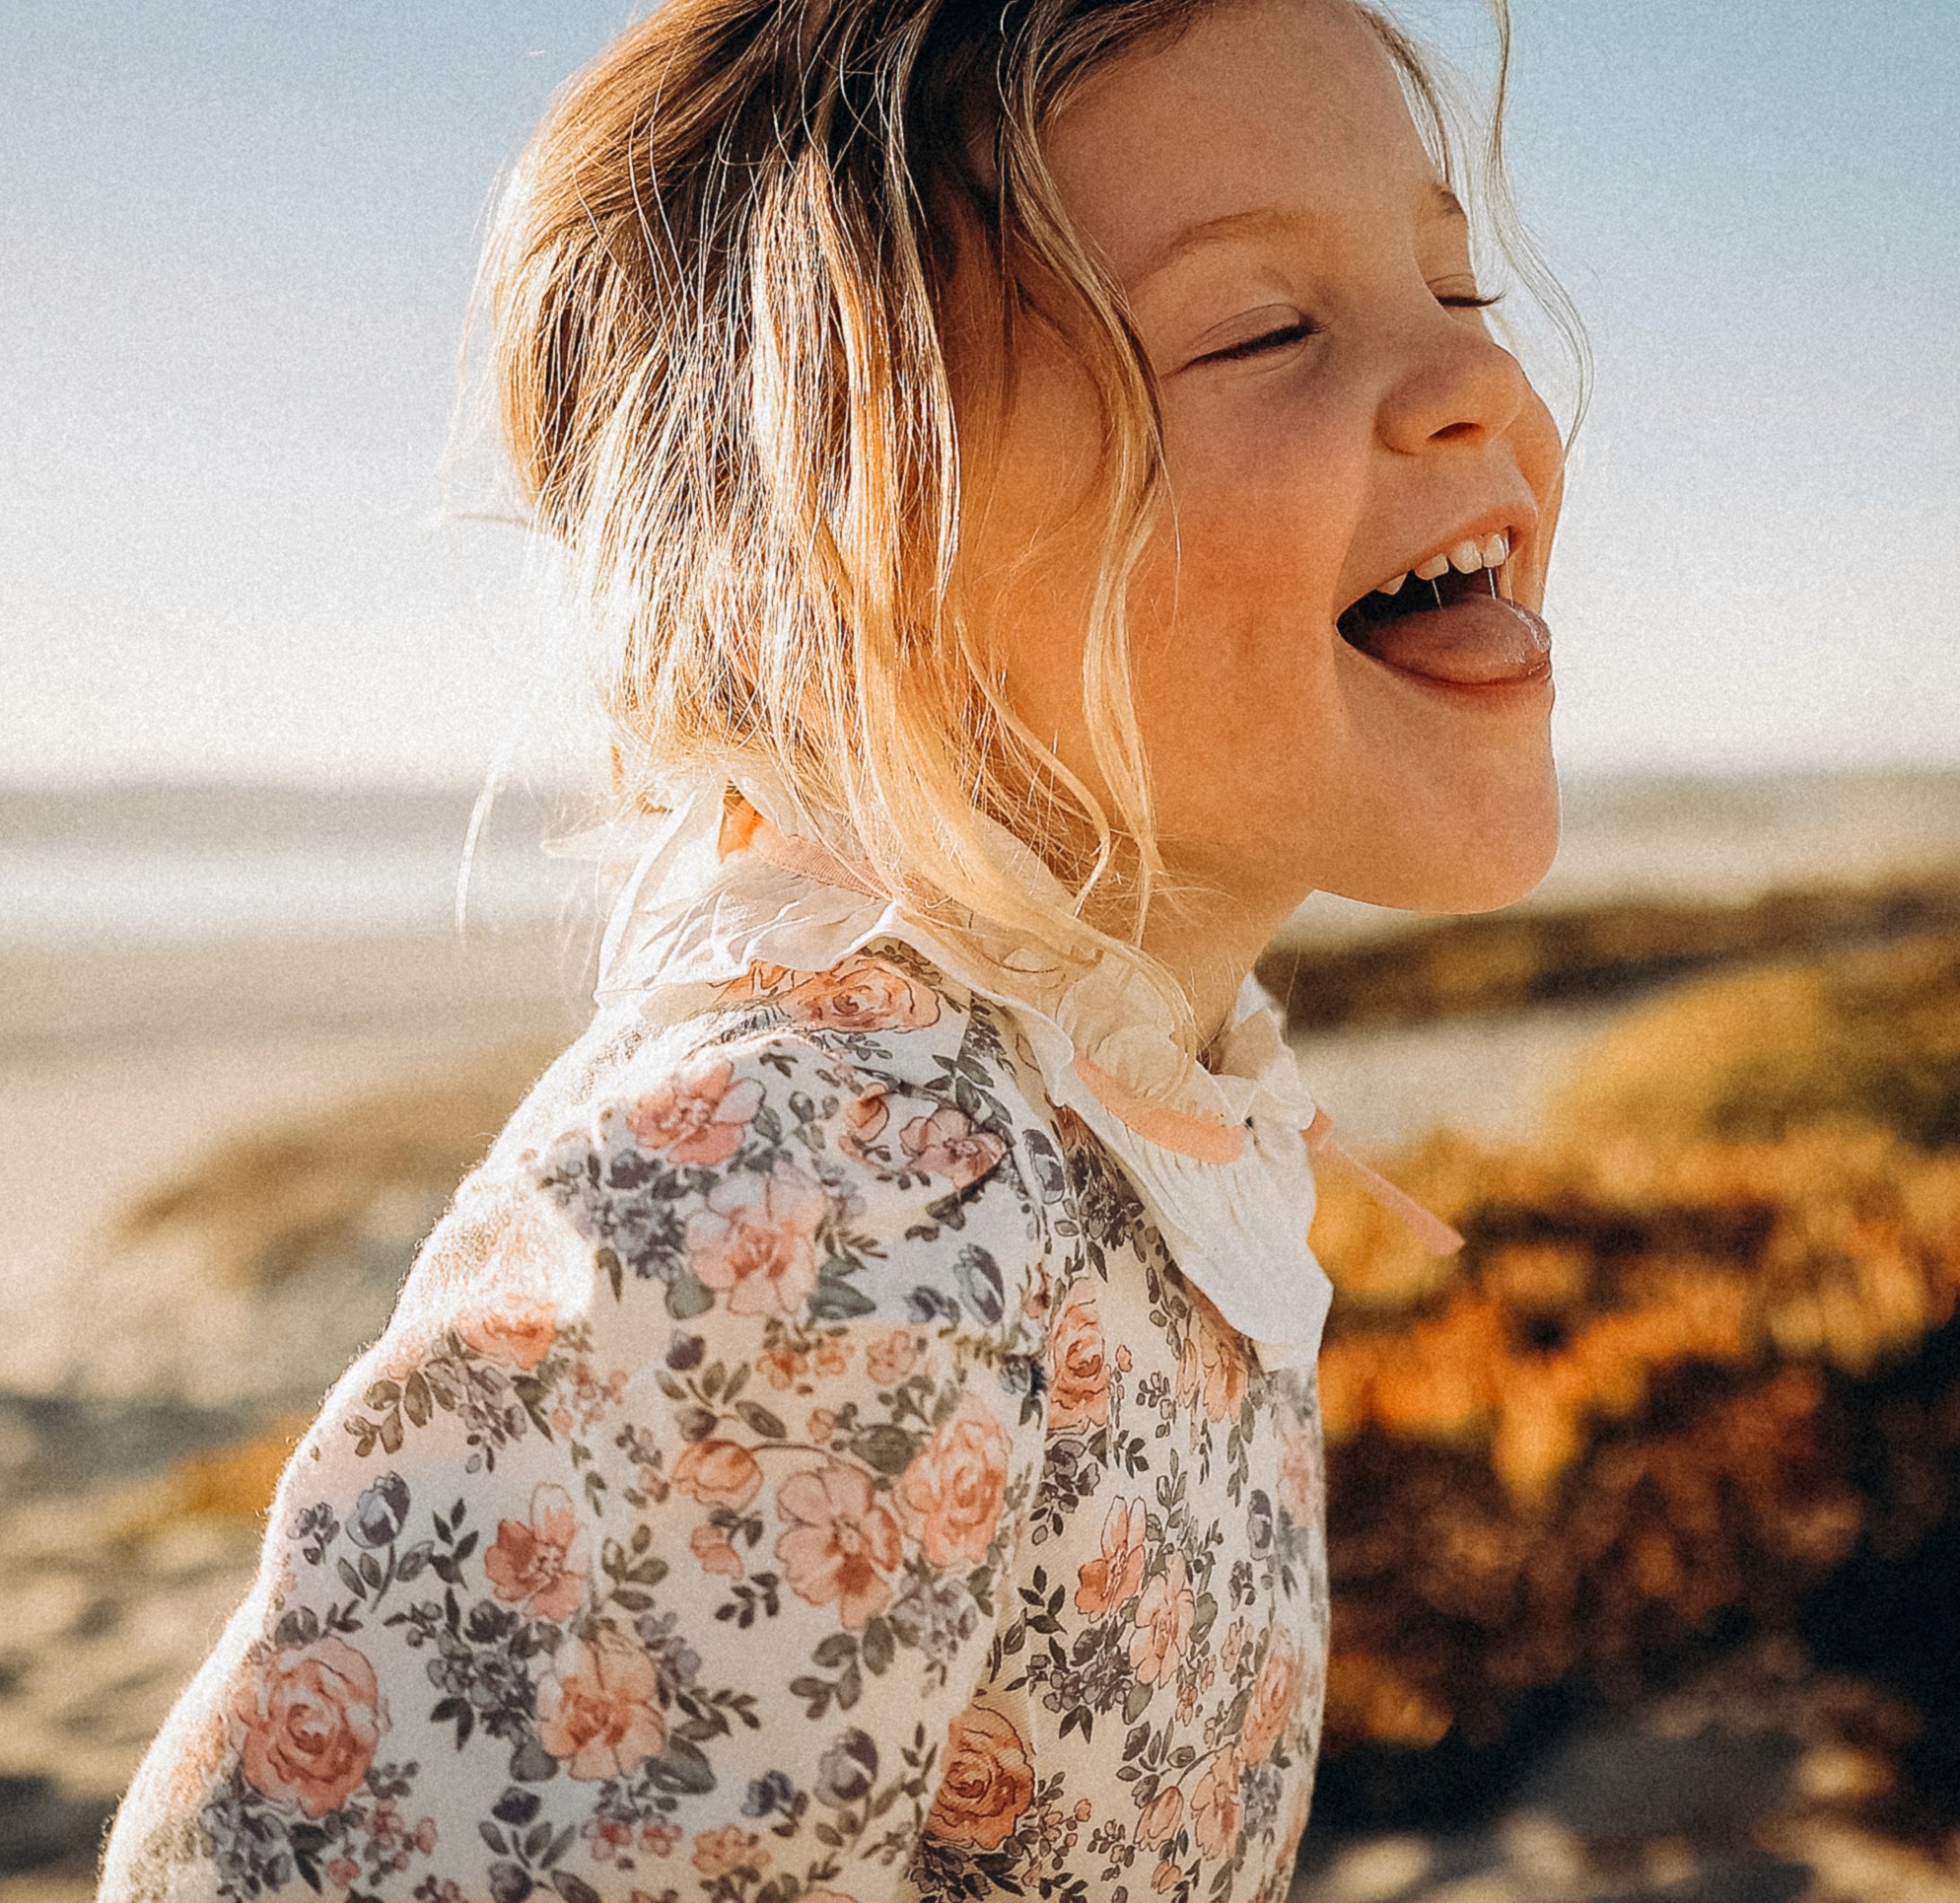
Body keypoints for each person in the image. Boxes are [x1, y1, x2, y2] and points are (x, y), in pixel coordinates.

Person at [101, 0, 1567, 1896]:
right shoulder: (824, 1191)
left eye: (1459, 291)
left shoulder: (1107, 1109)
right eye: (1262, 327)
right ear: (862, 542)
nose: (1473, 390)